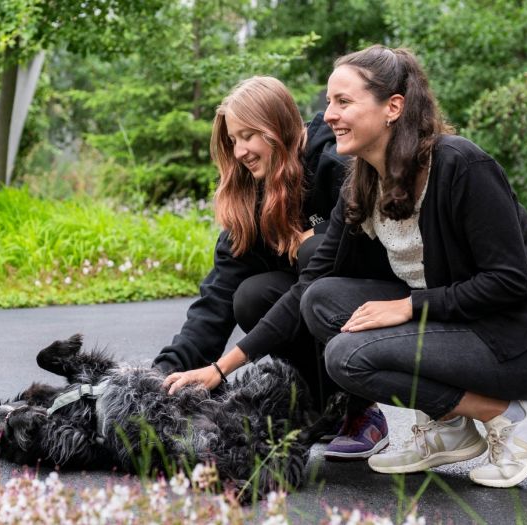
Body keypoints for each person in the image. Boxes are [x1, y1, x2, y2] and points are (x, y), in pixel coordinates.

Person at [224, 45, 527, 488]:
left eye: (343, 102)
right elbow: (307, 288)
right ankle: (449, 426)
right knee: (321, 301)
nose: (328, 115)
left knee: (347, 356)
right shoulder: (362, 183)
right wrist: (222, 367)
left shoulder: (460, 165)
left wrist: (410, 306)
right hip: (466, 325)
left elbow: (508, 283)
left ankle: (513, 417)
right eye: (330, 102)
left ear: (393, 107)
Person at [153, 76, 390, 460]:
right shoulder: (250, 196)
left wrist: (320, 232)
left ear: (278, 127)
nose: (241, 150)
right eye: (233, 140)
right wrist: (161, 372)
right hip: (307, 302)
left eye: (249, 135)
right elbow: (217, 299)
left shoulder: (334, 165)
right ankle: (325, 407)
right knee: (250, 296)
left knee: (315, 253)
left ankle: (362, 410)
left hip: (375, 307)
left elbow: (370, 244)